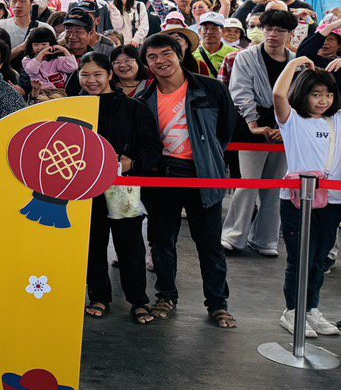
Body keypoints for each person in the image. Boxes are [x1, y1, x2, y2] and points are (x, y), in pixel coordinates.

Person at [137, 32, 241, 328]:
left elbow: (225, 130)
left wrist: (209, 158)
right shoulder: (143, 98)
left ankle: (218, 304)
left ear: (179, 55)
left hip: (203, 175)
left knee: (210, 245)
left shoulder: (210, 89)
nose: (161, 61)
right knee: (161, 242)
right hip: (160, 178)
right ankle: (165, 296)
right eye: (152, 57)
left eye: (166, 54)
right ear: (146, 64)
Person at [77, 53, 161, 324]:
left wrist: (131, 162)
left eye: (97, 74)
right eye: (85, 75)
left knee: (130, 245)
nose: (91, 81)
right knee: (92, 245)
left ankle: (139, 300)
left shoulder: (133, 108)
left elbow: (152, 147)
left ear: (110, 75)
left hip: (122, 187)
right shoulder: (73, 106)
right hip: (84, 188)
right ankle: (98, 297)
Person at [269, 56, 341, 337]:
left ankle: (311, 309)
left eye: (328, 94)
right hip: (297, 199)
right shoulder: (293, 121)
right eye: (316, 94)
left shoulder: (336, 120)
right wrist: (295, 62)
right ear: (304, 94)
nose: (323, 100)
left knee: (320, 258)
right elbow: (278, 95)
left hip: (333, 200)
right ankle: (293, 310)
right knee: (301, 258)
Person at [222, 8, 296, 256]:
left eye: (279, 30)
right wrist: (254, 124)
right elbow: (240, 92)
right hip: (249, 127)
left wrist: (284, 128)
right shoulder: (245, 57)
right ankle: (233, 236)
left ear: (290, 34)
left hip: (285, 128)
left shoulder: (295, 61)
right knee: (248, 183)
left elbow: (298, 97)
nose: (273, 34)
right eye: (268, 29)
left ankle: (266, 239)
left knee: (274, 187)